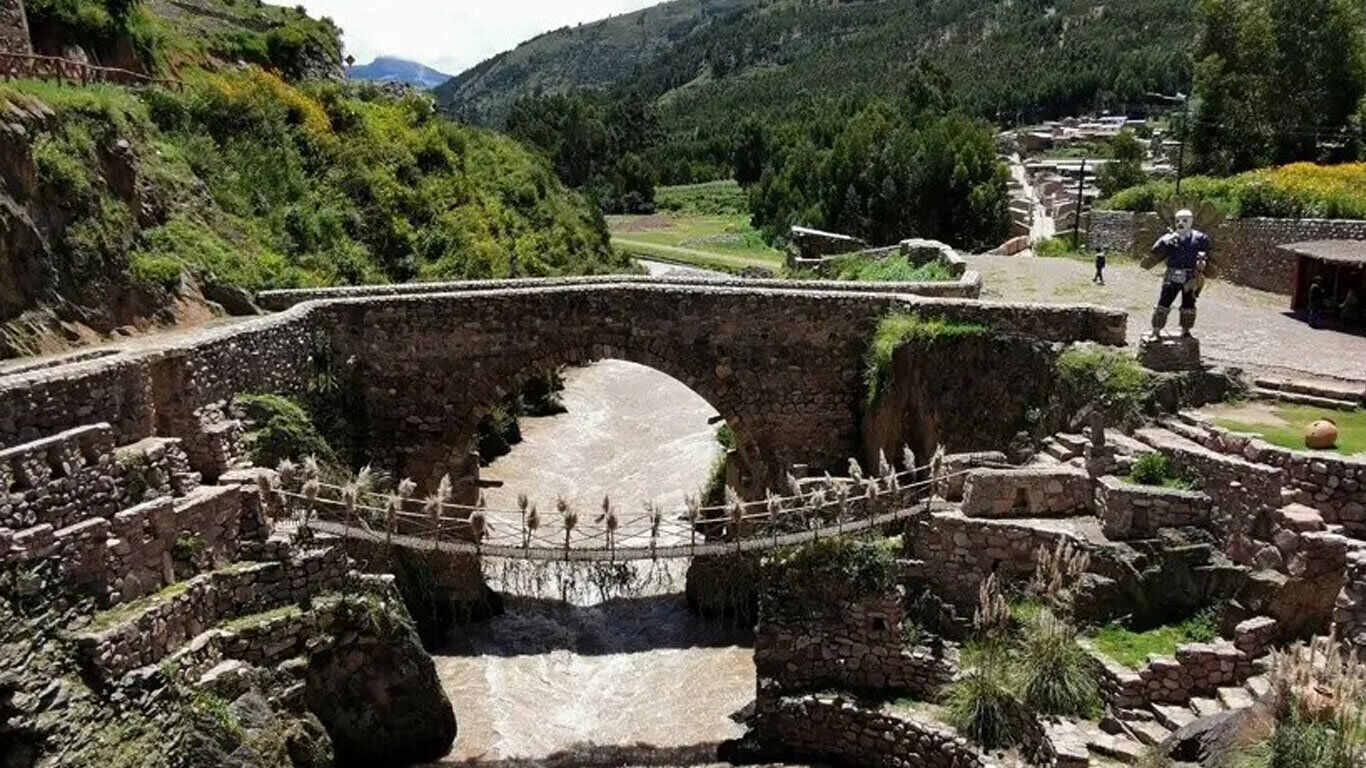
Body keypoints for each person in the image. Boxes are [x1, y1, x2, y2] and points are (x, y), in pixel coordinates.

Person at [1148, 209, 1211, 338]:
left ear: (1191, 221)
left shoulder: (1200, 238)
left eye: (1184, 220)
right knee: (1164, 301)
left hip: (1190, 276)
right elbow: (1154, 250)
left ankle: (1186, 330)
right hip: (1172, 274)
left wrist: (1201, 264)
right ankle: (1156, 330)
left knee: (1189, 303)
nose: (1180, 223)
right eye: (1177, 220)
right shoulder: (1170, 237)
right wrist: (1165, 240)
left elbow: (1205, 254)